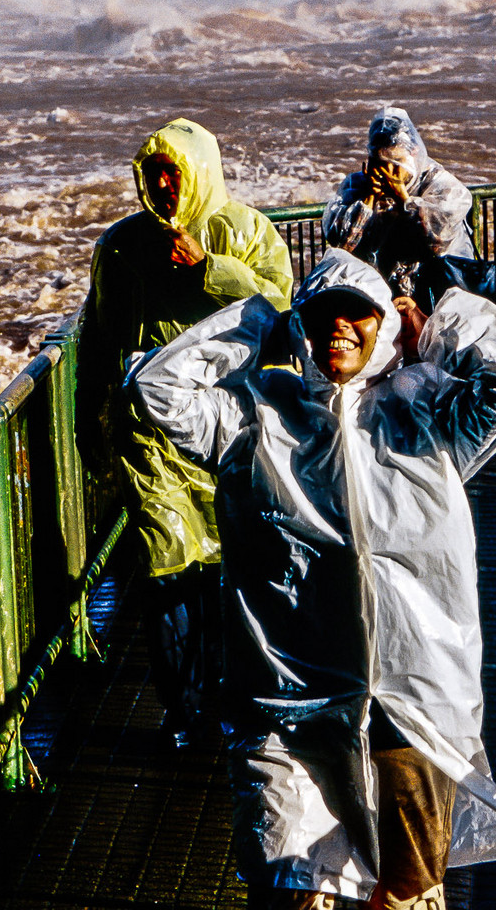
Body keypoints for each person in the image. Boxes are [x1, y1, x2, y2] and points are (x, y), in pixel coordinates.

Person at [128, 249, 496, 909]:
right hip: (287, 705)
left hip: (414, 699)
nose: (339, 327)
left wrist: (437, 325)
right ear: (299, 324)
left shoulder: (428, 414)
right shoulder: (251, 421)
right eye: (322, 314)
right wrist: (254, 321)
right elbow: (154, 388)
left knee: (409, 890)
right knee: (286, 884)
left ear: (383, 326)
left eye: (358, 315)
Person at [74, 117, 293, 746]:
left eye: (176, 174)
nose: (165, 187)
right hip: (148, 438)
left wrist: (212, 269)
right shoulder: (121, 247)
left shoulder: (246, 232)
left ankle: (237, 693)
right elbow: (99, 342)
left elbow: (283, 314)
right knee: (166, 560)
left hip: (230, 427)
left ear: (201, 173)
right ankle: (186, 711)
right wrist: (94, 426)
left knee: (232, 563)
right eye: (154, 175)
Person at [322, 107, 489, 315]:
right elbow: (340, 246)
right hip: (380, 297)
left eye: (396, 163)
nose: (388, 172)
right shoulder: (356, 186)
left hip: (434, 296)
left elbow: (437, 243)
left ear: (413, 153)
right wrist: (368, 200)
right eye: (380, 164)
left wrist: (405, 200)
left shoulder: (438, 183)